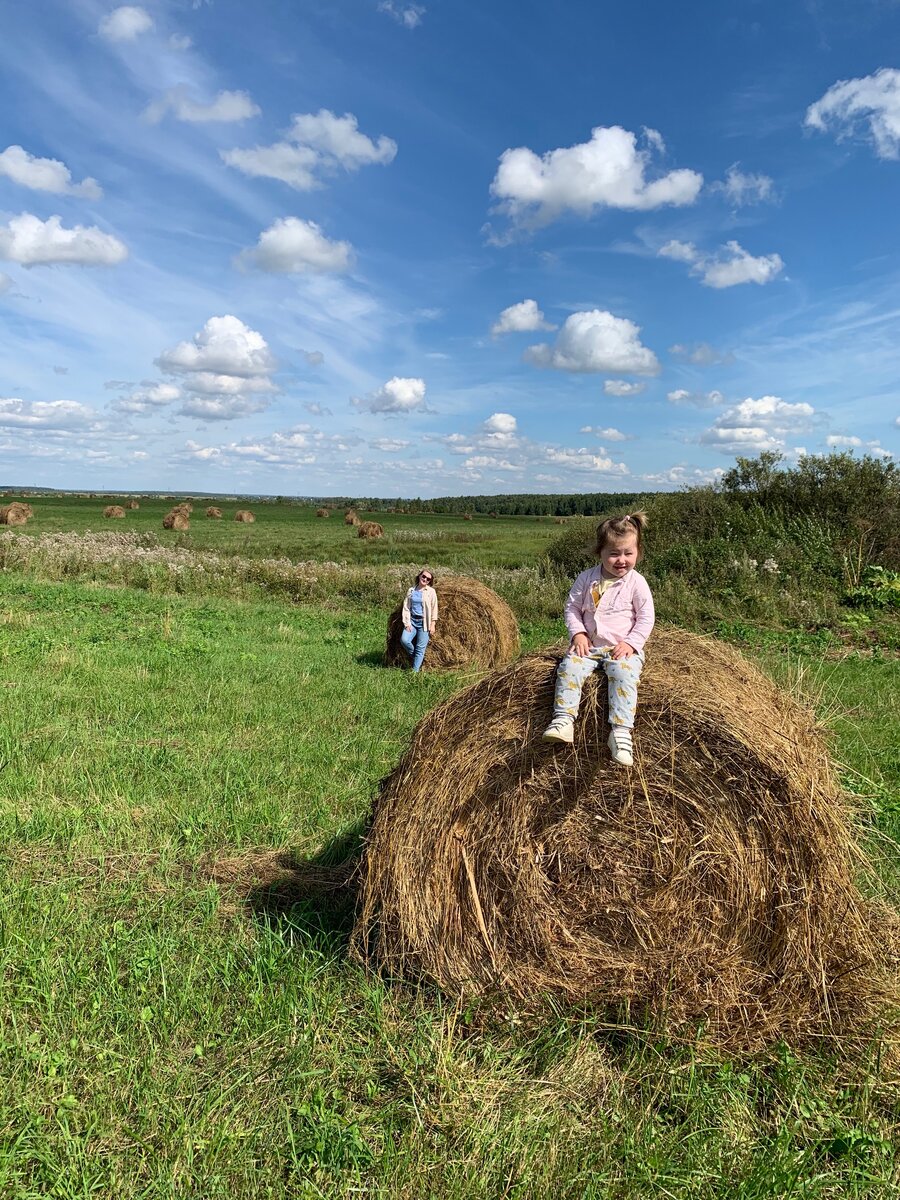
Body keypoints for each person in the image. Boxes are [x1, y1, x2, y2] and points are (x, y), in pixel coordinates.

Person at [542, 512, 654, 766]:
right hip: (589, 645)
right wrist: (578, 633)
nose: (621, 560)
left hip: (621, 648)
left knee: (624, 676)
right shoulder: (586, 578)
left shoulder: (637, 583)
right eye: (614, 553)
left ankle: (621, 732)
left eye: (628, 553)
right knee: (569, 667)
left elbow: (646, 618)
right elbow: (571, 608)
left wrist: (632, 643)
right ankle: (563, 720)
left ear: (638, 552)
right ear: (599, 552)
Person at [400, 567, 438, 672]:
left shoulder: (431, 592)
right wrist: (407, 623)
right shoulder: (411, 590)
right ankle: (415, 656)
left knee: (420, 649)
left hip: (424, 623)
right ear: (419, 576)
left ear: (430, 581)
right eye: (424, 576)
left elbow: (435, 608)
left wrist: (433, 624)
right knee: (404, 640)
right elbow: (406, 607)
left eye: (428, 579)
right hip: (412, 621)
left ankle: (414, 672)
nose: (425, 579)